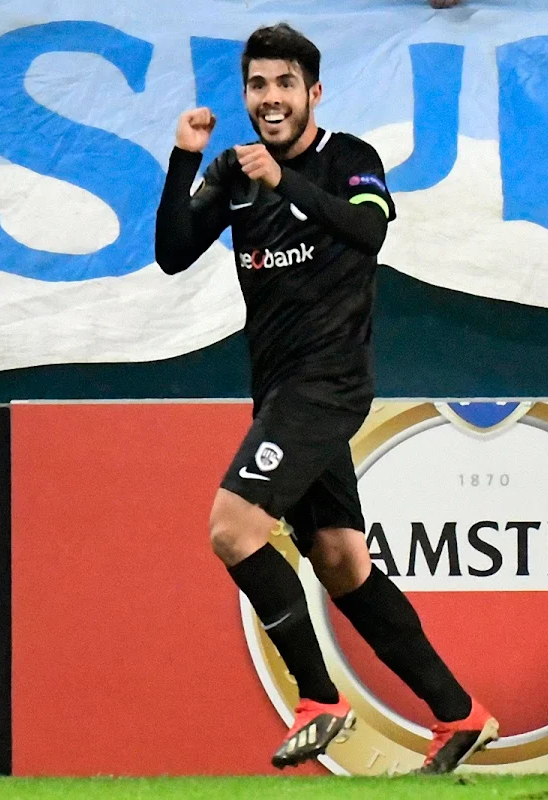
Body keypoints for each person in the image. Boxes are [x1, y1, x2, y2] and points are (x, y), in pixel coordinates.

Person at [155, 23, 498, 775]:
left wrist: (285, 184)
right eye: (257, 85)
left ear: (313, 92)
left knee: (231, 530)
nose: (269, 100)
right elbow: (174, 252)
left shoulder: (349, 159)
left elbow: (366, 232)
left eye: (284, 85)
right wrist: (185, 160)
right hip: (279, 389)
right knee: (341, 560)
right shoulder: (236, 170)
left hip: (326, 384)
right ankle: (458, 713)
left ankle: (320, 700)